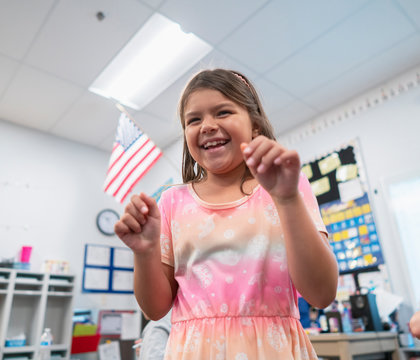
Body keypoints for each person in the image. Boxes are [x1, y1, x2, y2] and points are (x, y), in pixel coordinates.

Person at [115, 68, 339, 359]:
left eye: (222, 112)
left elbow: (322, 294)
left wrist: (287, 200)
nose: (207, 125)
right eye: (194, 120)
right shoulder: (172, 201)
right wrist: (144, 253)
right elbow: (155, 309)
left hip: (274, 350)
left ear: (255, 125)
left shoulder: (286, 186)